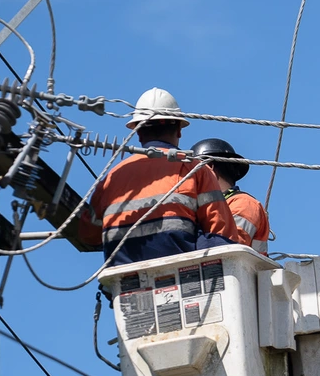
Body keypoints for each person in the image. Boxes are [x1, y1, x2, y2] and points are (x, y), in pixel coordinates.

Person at [77, 88, 247, 265]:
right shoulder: (194, 169)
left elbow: (88, 235)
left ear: (137, 132)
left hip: (124, 281)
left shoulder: (111, 178)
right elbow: (222, 236)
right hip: (184, 276)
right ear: (179, 131)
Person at [189, 137, 271, 255]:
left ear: (208, 167)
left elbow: (228, 248)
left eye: (192, 171)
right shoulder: (211, 208)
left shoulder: (243, 203)